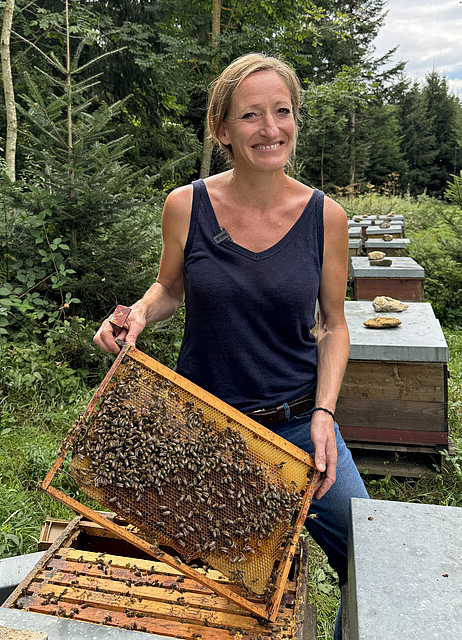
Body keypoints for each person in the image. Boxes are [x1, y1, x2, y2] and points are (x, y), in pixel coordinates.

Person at [94, 53, 368, 639]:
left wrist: (324, 414)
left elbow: (335, 325)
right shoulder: (185, 205)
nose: (270, 129)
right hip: (204, 427)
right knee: (193, 587)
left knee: (372, 560)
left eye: (282, 112)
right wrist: (136, 316)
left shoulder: (327, 217)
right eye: (251, 115)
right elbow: (169, 287)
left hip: (298, 428)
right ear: (222, 129)